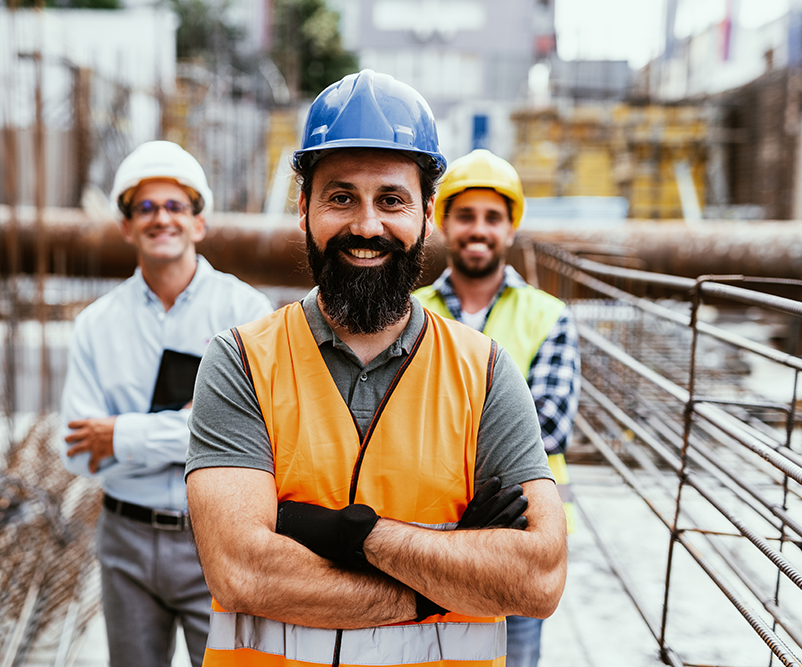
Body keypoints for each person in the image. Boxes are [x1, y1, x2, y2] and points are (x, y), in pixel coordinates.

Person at [184, 69, 567, 667]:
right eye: (341, 198)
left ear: (427, 214)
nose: (366, 226)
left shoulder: (486, 372)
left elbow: (538, 580)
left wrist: (360, 536)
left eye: (391, 200)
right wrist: (443, 580)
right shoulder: (241, 362)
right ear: (304, 207)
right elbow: (242, 572)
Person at [59, 140, 274, 667]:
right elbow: (77, 451)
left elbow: (256, 437)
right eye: (146, 207)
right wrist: (193, 430)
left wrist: (122, 435)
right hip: (125, 541)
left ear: (199, 222)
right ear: (126, 225)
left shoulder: (246, 313)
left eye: (175, 205)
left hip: (218, 535)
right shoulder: (95, 325)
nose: (161, 218)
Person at [413, 149, 581, 667]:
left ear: (510, 229)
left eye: (492, 217)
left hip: (522, 534)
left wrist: (440, 431)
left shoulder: (547, 316)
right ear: (443, 224)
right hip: (427, 531)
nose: (478, 229)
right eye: (465, 216)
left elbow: (549, 426)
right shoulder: (410, 312)